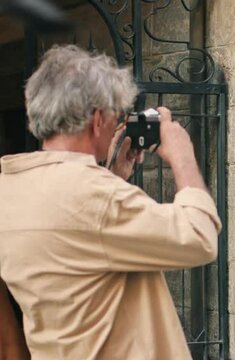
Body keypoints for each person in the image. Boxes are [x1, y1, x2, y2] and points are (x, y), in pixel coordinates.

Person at [0, 44, 221, 359]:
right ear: (97, 119)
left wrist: (112, 176)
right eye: (116, 114)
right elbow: (200, 239)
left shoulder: (9, 187)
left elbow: (77, 241)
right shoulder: (95, 195)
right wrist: (182, 154)